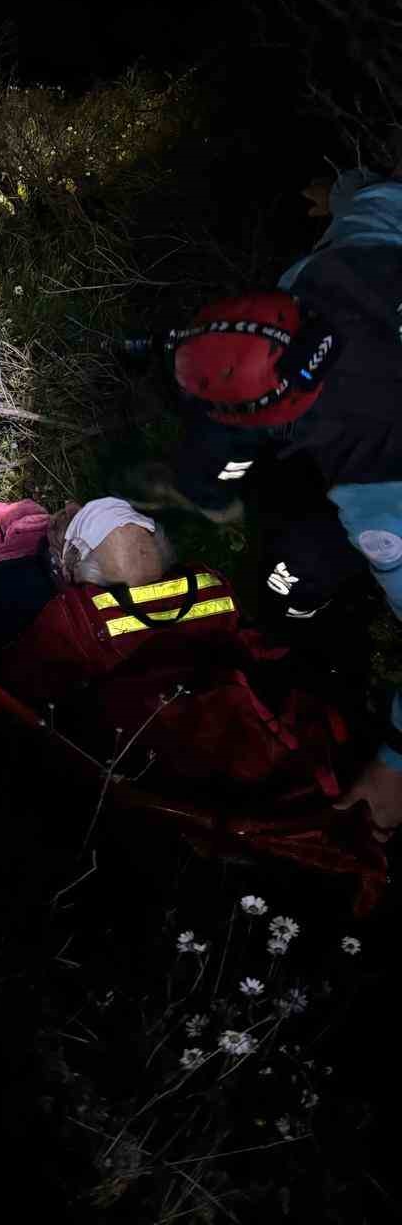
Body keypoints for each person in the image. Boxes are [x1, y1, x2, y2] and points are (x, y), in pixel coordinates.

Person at [129, 161, 402, 838]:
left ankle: (318, 633)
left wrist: (396, 765)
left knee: (291, 578)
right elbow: (379, 199)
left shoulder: (376, 487)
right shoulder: (343, 265)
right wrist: (341, 193)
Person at [0, 496, 176, 681]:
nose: (69, 506)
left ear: (69, 567)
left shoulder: (7, 588)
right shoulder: (140, 614)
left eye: (77, 521)